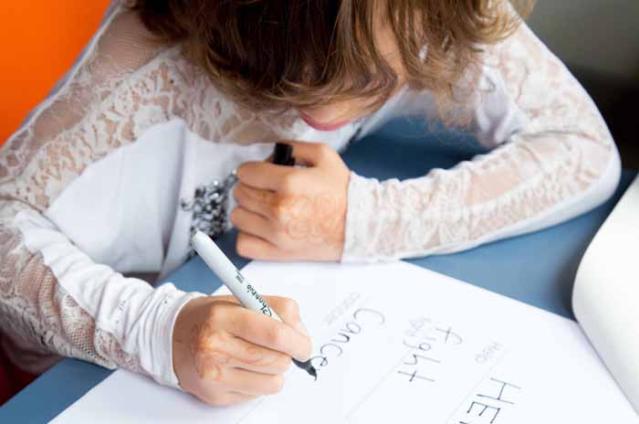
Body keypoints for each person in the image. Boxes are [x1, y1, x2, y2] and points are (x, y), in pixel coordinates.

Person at [0, 0, 620, 406]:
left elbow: (582, 149)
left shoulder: (426, 13)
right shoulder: (144, 60)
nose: (324, 116)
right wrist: (155, 330)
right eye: (286, 75)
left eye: (374, 80)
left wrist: (365, 219)